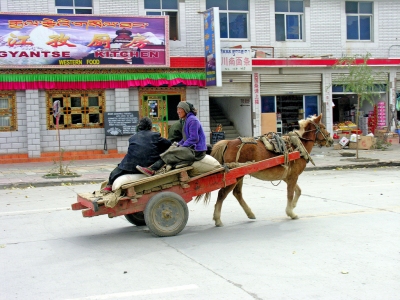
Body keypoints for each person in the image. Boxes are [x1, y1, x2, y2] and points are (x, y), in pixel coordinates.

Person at [136, 101, 207, 176]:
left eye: (180, 109)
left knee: (172, 152)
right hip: (191, 148)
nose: (178, 112)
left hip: (197, 151)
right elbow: (185, 138)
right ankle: (152, 168)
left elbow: (194, 138)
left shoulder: (193, 120)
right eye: (177, 109)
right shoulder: (186, 120)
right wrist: (178, 144)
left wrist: (182, 147)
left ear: (185, 110)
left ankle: (153, 169)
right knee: (172, 147)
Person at [102, 117, 171, 192]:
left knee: (118, 169)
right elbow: (168, 144)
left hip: (129, 166)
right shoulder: (155, 135)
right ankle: (152, 169)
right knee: (165, 155)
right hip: (147, 166)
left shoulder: (132, 138)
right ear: (150, 127)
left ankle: (109, 185)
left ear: (139, 127)